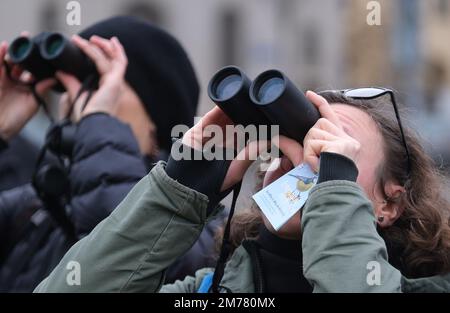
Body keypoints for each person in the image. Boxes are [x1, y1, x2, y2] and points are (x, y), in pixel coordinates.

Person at [34, 89, 450, 293]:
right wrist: (179, 188)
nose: (305, 159)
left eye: (335, 148)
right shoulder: (211, 292)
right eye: (301, 142)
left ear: (388, 203)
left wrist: (333, 185)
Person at [0, 16, 203, 292]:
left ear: (157, 120)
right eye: (71, 83)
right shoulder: (35, 207)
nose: (76, 98)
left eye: (98, 83)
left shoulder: (196, 220)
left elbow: (128, 253)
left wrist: (98, 124)